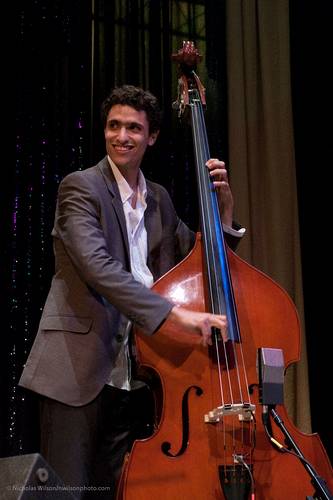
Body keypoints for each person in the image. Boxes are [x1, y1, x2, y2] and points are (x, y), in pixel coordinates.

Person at [19, 85, 244, 498]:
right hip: (77, 370)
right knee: (68, 492)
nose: (121, 136)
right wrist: (174, 315)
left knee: (116, 490)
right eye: (114, 126)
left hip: (135, 378)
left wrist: (223, 212)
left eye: (134, 128)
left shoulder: (158, 198)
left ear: (152, 136)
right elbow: (98, 269)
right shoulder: (80, 188)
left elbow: (199, 265)